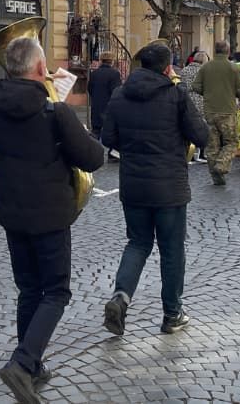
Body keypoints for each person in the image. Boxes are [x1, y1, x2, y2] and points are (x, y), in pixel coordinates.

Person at [0, 37, 104, 404]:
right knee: (56, 291)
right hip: (49, 214)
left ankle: (31, 366)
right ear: (39, 68)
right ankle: (22, 362)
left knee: (29, 289)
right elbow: (92, 158)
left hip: (12, 211)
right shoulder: (55, 112)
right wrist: (62, 108)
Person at [100, 42, 209, 336]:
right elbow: (201, 137)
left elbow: (107, 137)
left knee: (137, 243)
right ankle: (172, 314)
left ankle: (120, 297)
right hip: (170, 186)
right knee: (172, 250)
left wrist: (133, 149)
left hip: (134, 184)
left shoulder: (120, 94)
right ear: (167, 67)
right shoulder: (176, 95)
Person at [190, 40, 240, 185]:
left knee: (212, 144)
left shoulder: (206, 67)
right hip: (227, 111)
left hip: (209, 110)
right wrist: (234, 94)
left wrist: (207, 93)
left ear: (215, 51)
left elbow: (195, 86)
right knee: (231, 141)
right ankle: (222, 164)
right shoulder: (233, 68)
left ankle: (216, 177)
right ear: (228, 51)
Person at [88, 51, 123, 160]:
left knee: (96, 130)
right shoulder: (115, 74)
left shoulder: (94, 73)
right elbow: (116, 90)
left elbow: (89, 88)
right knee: (113, 130)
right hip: (109, 106)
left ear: (101, 61)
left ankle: (91, 153)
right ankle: (113, 154)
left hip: (96, 105)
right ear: (112, 61)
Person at [178, 51, 208, 163]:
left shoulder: (184, 70)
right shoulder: (203, 71)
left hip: (186, 99)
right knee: (200, 126)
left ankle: (188, 155)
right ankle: (201, 154)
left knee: (187, 126)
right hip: (199, 99)